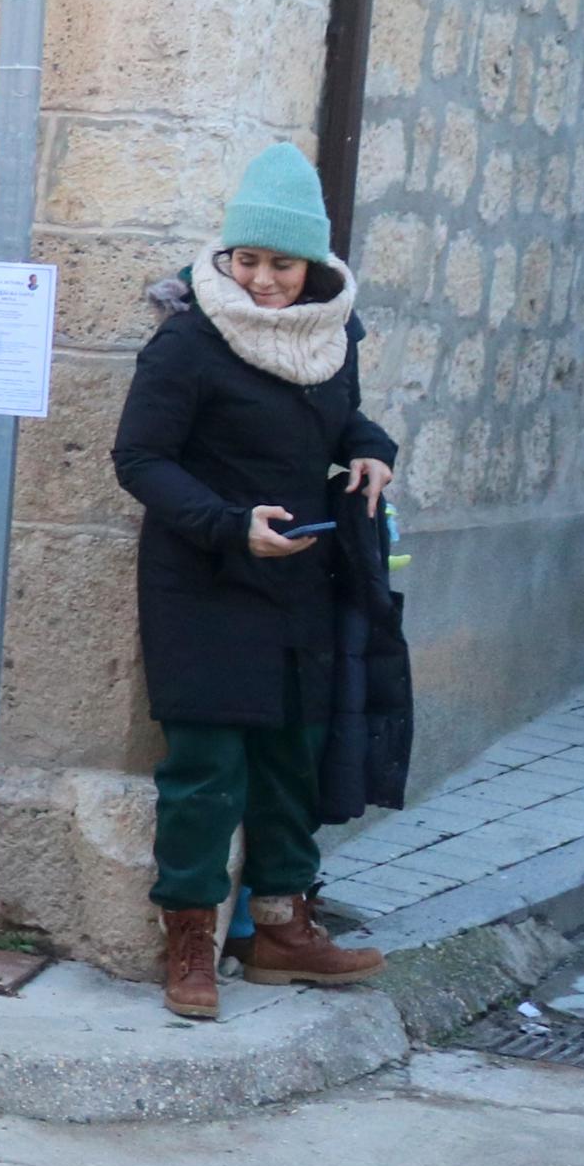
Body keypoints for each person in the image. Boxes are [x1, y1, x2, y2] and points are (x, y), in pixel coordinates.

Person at [113, 142, 398, 1022]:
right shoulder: (189, 341)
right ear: (225, 255)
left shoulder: (330, 334)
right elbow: (140, 458)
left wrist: (368, 450)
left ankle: (278, 926)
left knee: (291, 759)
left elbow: (340, 415)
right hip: (202, 583)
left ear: (310, 265)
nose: (263, 280)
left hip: (300, 583)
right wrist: (230, 525)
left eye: (280, 264)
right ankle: (190, 942)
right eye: (248, 260)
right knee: (204, 770)